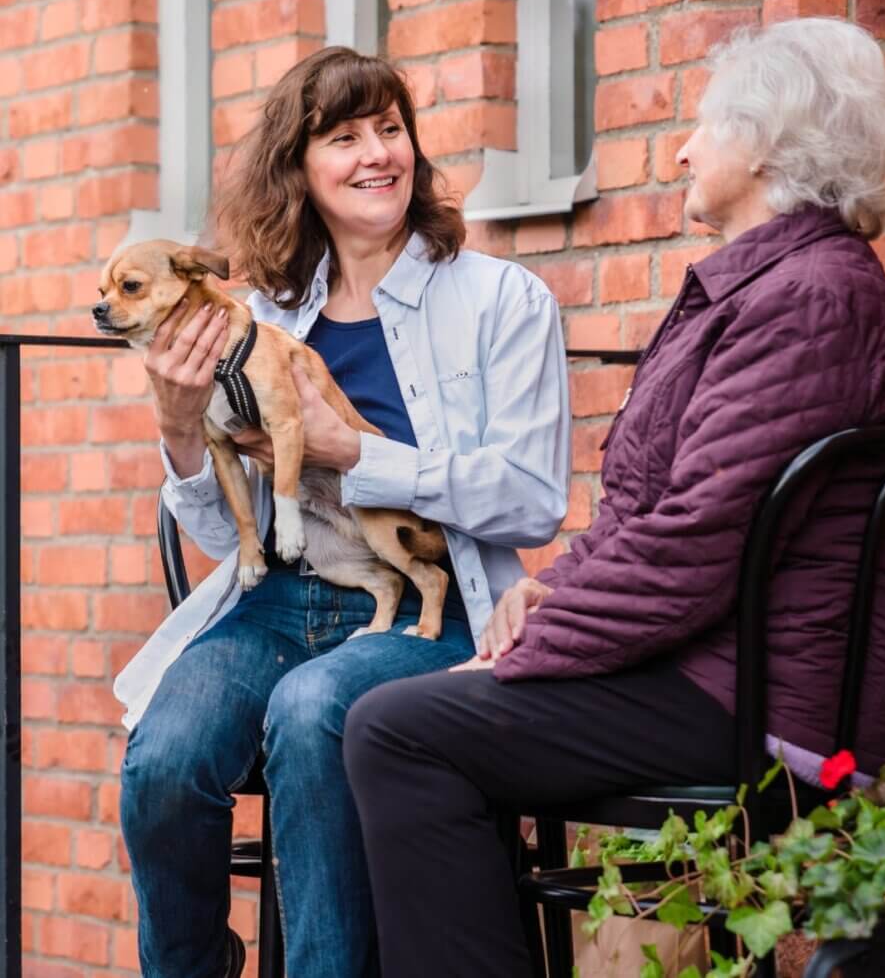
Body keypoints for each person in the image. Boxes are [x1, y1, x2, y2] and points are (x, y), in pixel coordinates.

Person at [342, 18, 885, 977]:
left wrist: (533, 651)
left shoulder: (807, 302)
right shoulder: (772, 288)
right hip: (718, 667)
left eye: (705, 125)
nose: (682, 148)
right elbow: (651, 512)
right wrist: (547, 593)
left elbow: (697, 539)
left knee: (400, 729)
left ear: (767, 147)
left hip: (769, 702)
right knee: (408, 714)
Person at [113, 47, 571, 978]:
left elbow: (532, 500)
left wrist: (357, 453)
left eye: (391, 130)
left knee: (313, 708)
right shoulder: (263, 316)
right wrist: (178, 425)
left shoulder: (500, 300)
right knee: (165, 755)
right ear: (300, 170)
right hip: (278, 604)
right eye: (344, 137)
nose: (377, 154)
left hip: (430, 611)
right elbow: (216, 534)